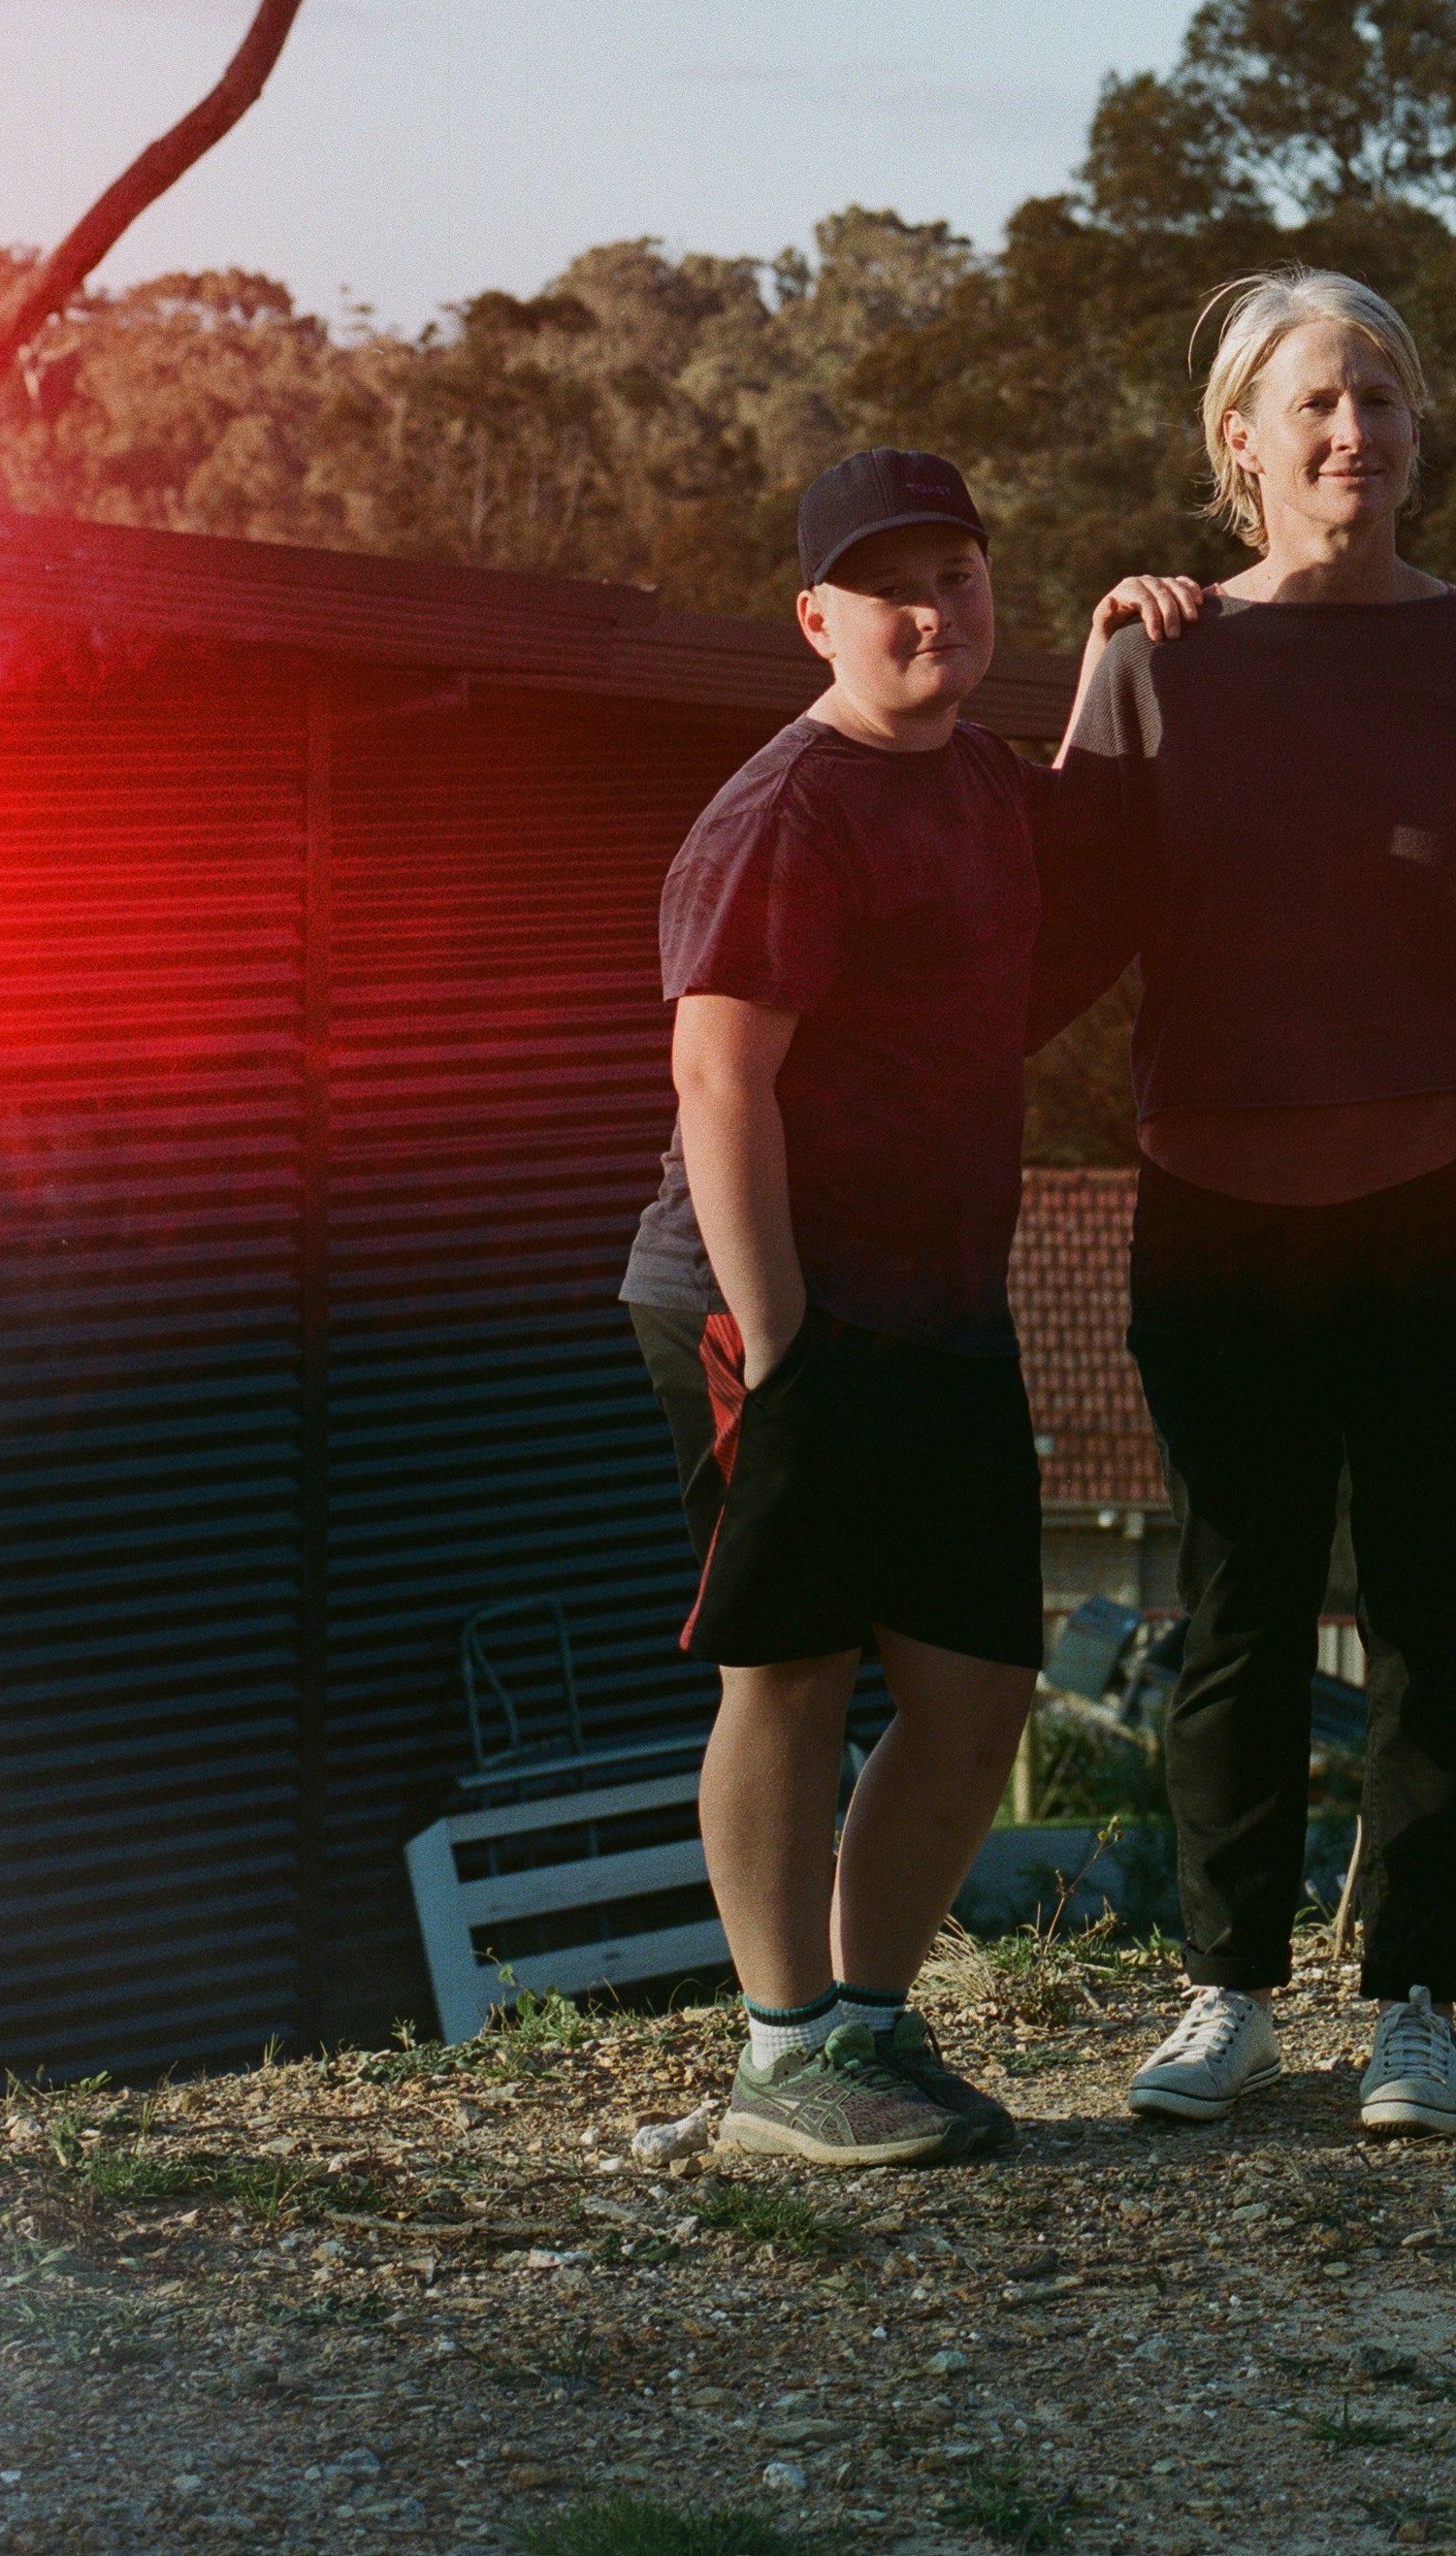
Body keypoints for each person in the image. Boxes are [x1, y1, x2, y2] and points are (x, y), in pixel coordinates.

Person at [1044, 270, 1456, 2140]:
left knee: (1445, 1612)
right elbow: (1062, 931)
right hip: (1224, 1198)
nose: (1350, 432)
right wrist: (1085, 685)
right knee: (1237, 1606)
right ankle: (1230, 1993)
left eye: (1379, 397)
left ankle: (1422, 2005)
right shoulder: (1158, 654)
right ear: (1240, 440)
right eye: (1312, 402)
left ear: (1416, 432)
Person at [617, 450, 1055, 2168]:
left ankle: (873, 2023)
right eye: (893, 589)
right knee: (789, 1670)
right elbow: (718, 1078)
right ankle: (784, 2053)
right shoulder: (785, 806)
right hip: (768, 1292)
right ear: (820, 620)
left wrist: (1132, 655)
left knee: (976, 1689)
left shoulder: (987, 783)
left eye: (958, 573)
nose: (934, 610)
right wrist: (780, 1335)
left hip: (942, 1307)